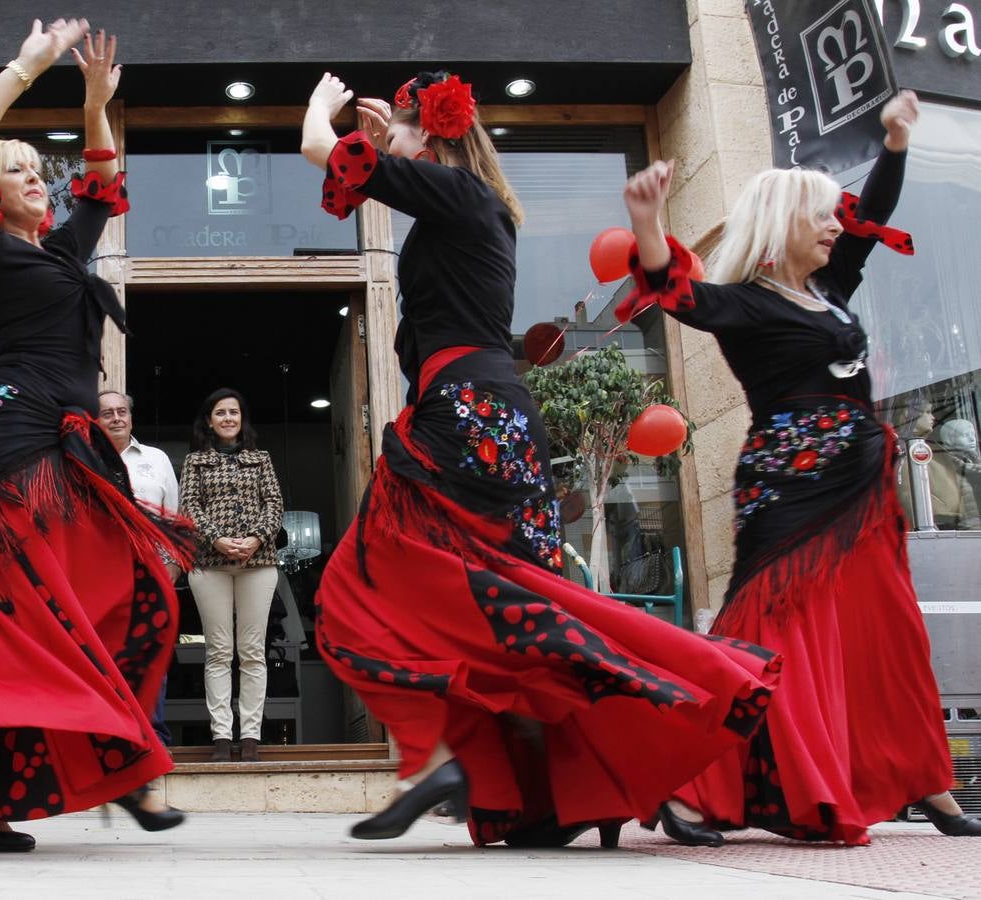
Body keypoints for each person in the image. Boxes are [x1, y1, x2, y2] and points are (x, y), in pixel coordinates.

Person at [301, 71, 782, 847]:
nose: (387, 143)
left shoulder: (462, 202)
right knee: (514, 612)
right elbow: (363, 170)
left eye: (402, 134)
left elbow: (320, 151)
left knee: (377, 589)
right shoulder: (470, 209)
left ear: (436, 139)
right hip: (482, 415)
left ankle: (482, 764)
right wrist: (394, 133)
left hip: (464, 417)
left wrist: (320, 110)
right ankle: (582, 787)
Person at [621, 89, 979, 843]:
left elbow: (871, 218)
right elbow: (677, 293)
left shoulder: (829, 289)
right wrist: (649, 222)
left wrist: (896, 142)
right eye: (819, 215)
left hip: (863, 491)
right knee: (765, 628)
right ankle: (688, 783)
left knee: (887, 632)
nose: (833, 225)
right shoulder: (746, 305)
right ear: (782, 225)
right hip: (788, 485)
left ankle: (923, 781)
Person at [0, 20, 193, 853]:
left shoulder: (58, 254)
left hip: (76, 445)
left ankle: (83, 761)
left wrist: (93, 108)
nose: (37, 180)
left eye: (36, 169)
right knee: (25, 614)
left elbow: (96, 182)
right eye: (17, 172)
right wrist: (27, 66)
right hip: (18, 442)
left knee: (142, 600)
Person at [178, 388, 284, 762]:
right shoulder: (195, 462)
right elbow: (189, 508)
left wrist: (254, 539)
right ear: (209, 420)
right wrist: (218, 540)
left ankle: (251, 736)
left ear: (242, 419)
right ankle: (222, 736)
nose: (227, 418)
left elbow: (275, 504)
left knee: (252, 652)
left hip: (259, 563)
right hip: (210, 564)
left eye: (233, 412)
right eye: (220, 413)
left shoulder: (262, 459)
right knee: (219, 652)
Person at [98, 389, 180, 747]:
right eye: (107, 413)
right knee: (104, 654)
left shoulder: (157, 458)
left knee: (151, 653)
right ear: (95, 420)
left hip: (151, 568)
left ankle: (152, 734)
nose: (117, 418)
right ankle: (112, 735)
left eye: (122, 412)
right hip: (100, 572)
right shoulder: (82, 460)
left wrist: (174, 564)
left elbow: (175, 517)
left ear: (131, 417)